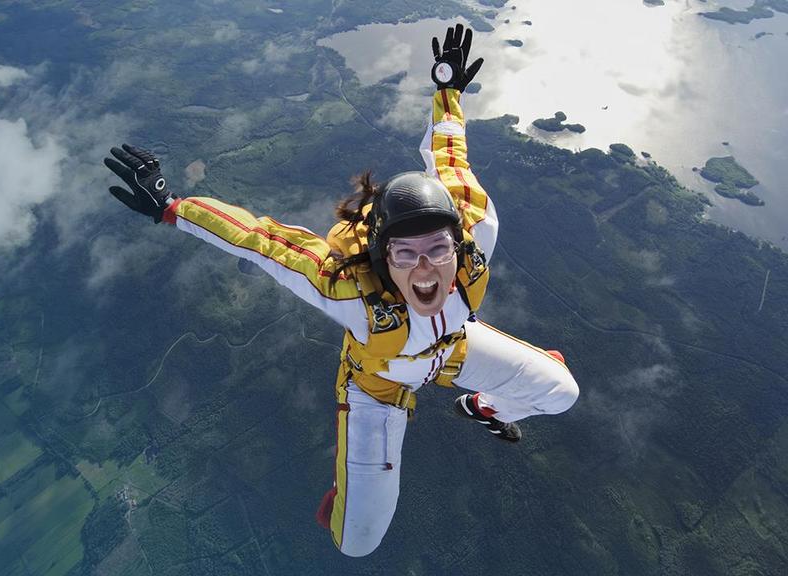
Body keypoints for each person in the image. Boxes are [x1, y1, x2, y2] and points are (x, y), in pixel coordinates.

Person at [103, 24, 578, 558]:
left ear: (457, 241)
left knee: (562, 393)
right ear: (380, 257)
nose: (425, 270)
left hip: (452, 350)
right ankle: (355, 490)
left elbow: (450, 160)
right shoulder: (350, 288)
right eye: (405, 254)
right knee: (357, 541)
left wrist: (448, 91)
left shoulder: (475, 233)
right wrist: (172, 207)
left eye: (438, 250)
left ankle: (485, 408)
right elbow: (262, 240)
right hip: (376, 383)